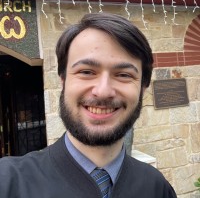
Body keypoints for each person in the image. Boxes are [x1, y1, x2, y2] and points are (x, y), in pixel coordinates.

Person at [0, 13, 177, 198]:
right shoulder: (8, 183)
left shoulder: (157, 188)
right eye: (86, 72)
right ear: (63, 81)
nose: (103, 91)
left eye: (124, 75)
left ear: (143, 88)